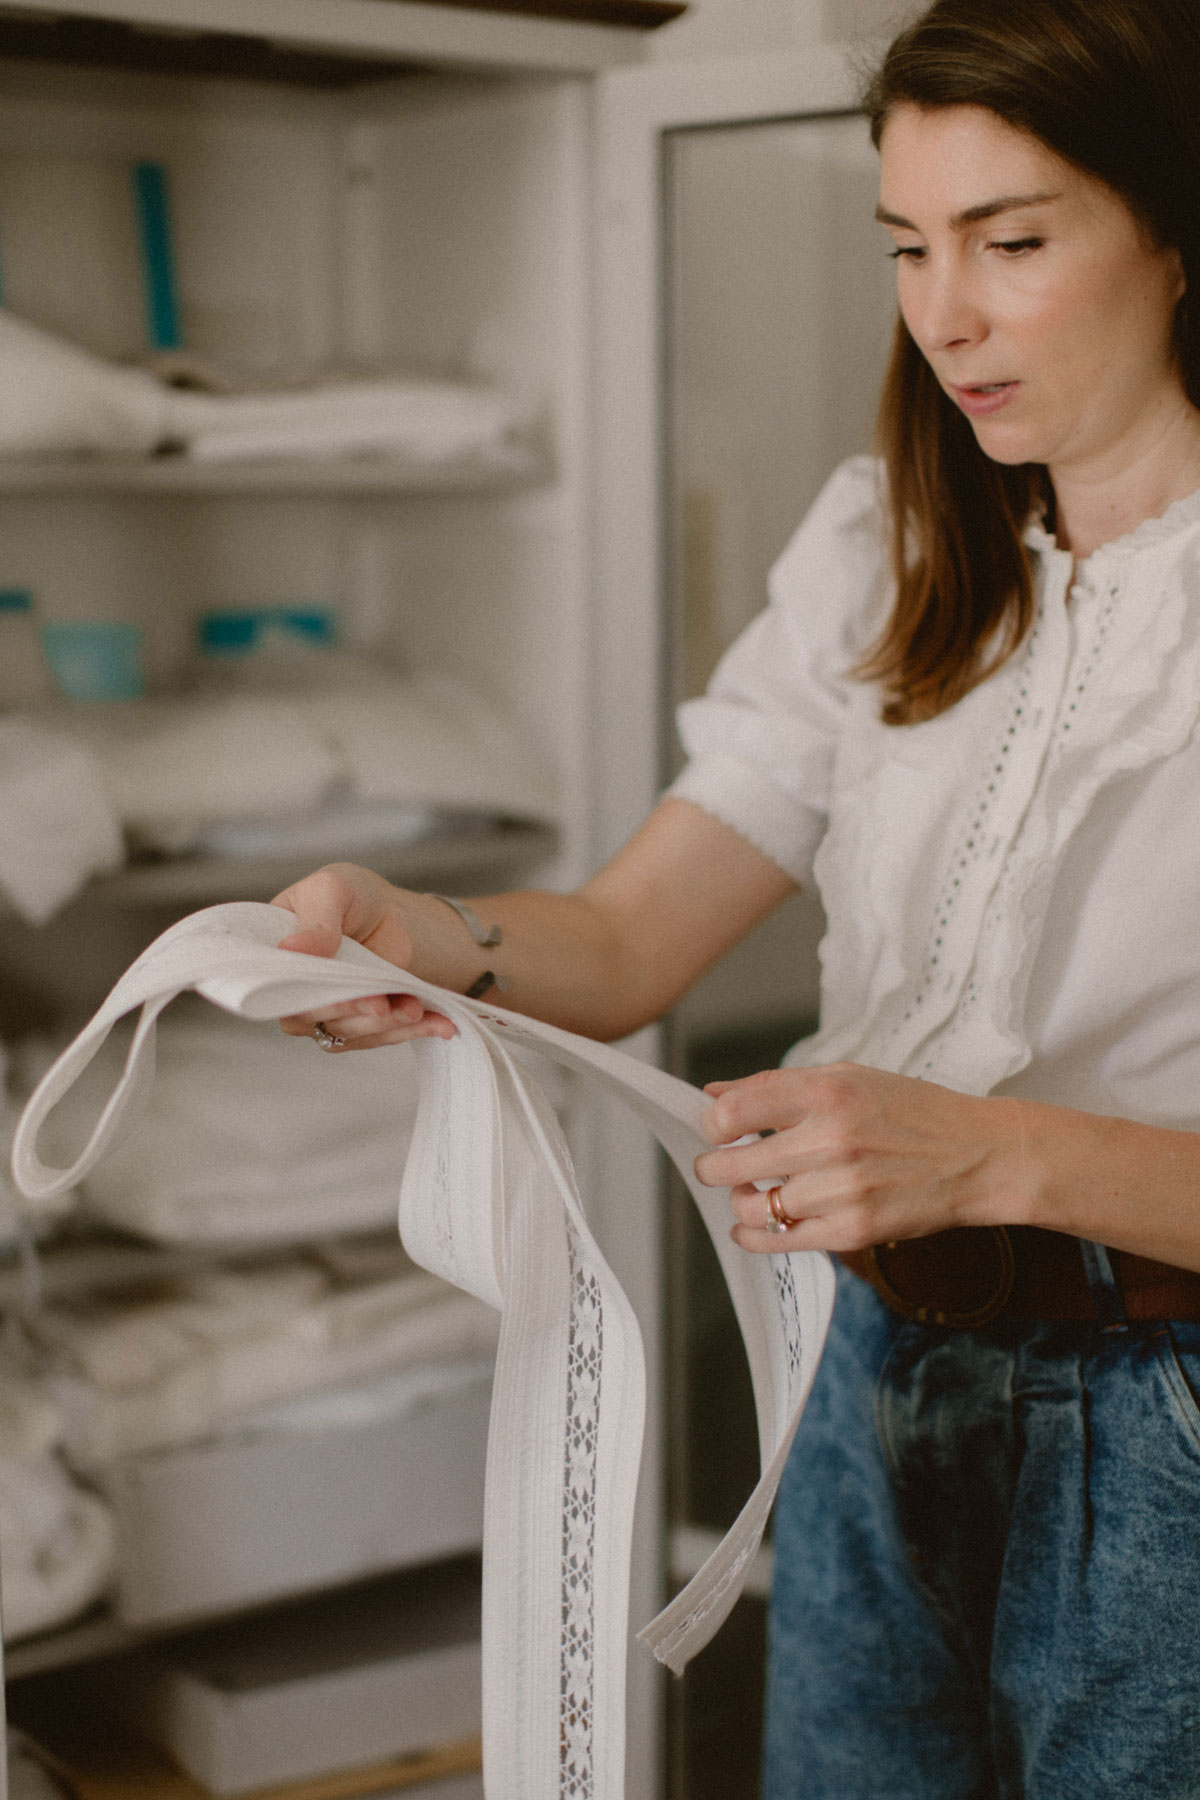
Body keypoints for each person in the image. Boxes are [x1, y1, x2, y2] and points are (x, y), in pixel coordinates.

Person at [273, 0, 1200, 1791]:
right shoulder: (892, 546)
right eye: (909, 249)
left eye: (1013, 242)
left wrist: (999, 1154)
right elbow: (624, 944)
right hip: (871, 1380)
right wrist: (438, 937)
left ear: (1172, 229)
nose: (946, 315)